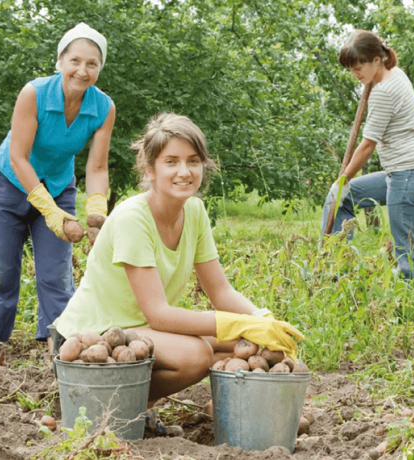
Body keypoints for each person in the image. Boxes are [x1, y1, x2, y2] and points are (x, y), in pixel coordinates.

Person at [53, 113, 303, 436]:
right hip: (93, 341)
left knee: (247, 342)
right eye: (171, 161)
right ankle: (109, 408)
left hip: (139, 331)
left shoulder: (194, 211)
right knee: (197, 354)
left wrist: (262, 319)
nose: (184, 172)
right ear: (150, 169)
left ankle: (218, 410)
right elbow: (158, 314)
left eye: (193, 161)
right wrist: (236, 323)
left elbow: (220, 292)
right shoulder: (133, 218)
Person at [0, 23, 116, 356]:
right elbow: (19, 157)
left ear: (99, 68)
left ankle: (58, 350)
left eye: (92, 64)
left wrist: (97, 211)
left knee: (55, 275)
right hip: (8, 184)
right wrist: (48, 210)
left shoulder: (103, 108)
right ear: (60, 62)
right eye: (75, 61)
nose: (82, 71)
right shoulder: (34, 93)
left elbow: (96, 167)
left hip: (58, 186)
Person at [321, 29, 414, 282]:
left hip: (409, 176)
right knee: (340, 200)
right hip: (404, 174)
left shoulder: (384, 91)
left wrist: (342, 181)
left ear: (377, 60)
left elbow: (366, 146)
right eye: (351, 68)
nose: (354, 74)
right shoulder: (395, 74)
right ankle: (337, 274)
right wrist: (341, 189)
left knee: (408, 253)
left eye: (359, 66)